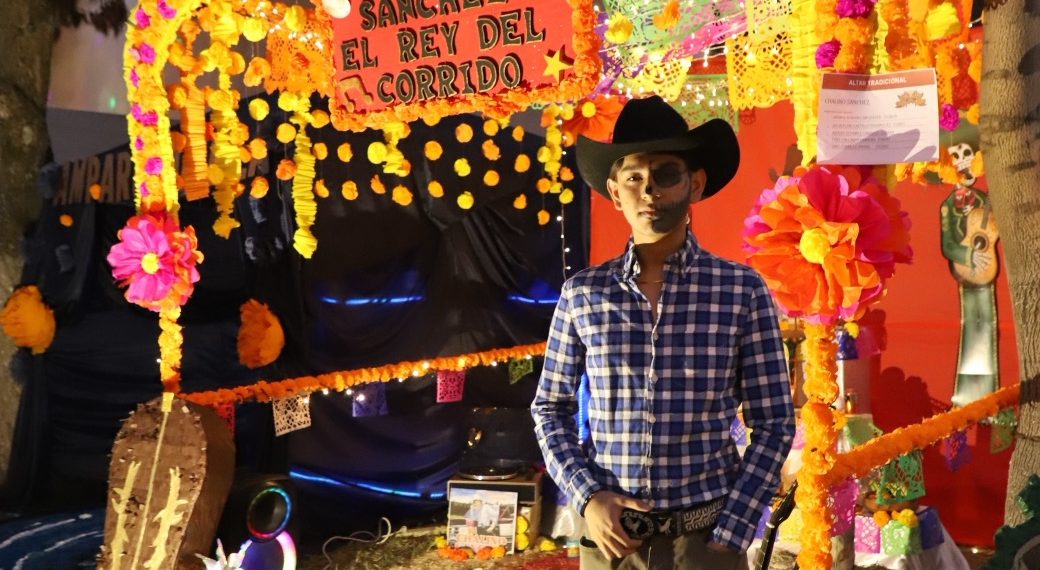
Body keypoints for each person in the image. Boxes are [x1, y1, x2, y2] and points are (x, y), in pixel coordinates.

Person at [531, 96, 795, 570]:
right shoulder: (583, 294)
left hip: (706, 543)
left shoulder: (741, 290)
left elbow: (774, 421)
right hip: (611, 543)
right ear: (615, 193)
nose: (649, 190)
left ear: (695, 183)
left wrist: (735, 527)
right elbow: (550, 408)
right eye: (634, 178)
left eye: (666, 174)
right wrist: (587, 497)